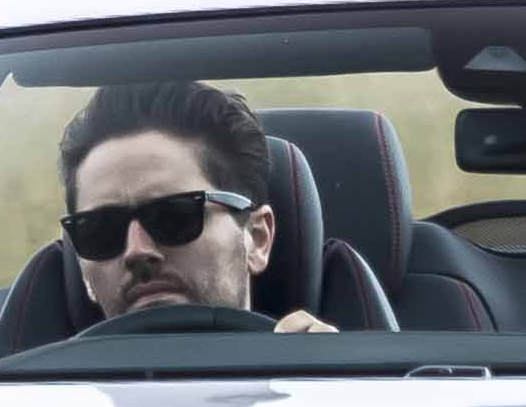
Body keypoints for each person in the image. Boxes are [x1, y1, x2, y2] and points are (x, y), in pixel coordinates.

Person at [51, 76, 331, 335]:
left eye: (174, 216)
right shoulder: (30, 386)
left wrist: (325, 379)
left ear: (257, 239)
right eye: (101, 231)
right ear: (83, 271)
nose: (137, 251)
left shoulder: (333, 384)